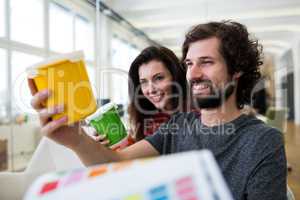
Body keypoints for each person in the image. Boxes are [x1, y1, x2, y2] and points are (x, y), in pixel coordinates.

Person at [29, 21, 287, 200]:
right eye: (189, 63)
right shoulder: (181, 125)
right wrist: (76, 139)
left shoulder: (263, 140)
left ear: (236, 71)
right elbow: (115, 163)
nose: (194, 74)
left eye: (206, 62)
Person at [92, 46, 187, 146]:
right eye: (144, 82)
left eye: (159, 78)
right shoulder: (147, 118)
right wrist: (112, 144)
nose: (150, 90)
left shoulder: (194, 117)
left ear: (175, 77)